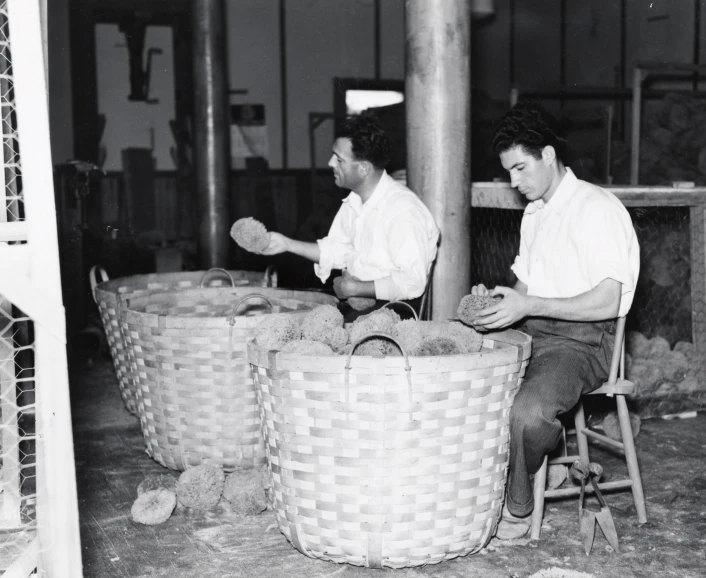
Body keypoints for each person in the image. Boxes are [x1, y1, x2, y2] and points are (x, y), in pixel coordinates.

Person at [468, 101, 640, 540]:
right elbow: (525, 291)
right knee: (466, 373)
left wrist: (528, 307)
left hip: (585, 342)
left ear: (548, 154)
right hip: (536, 333)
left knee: (526, 412)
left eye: (521, 168)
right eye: (509, 171)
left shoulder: (596, 208)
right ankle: (536, 455)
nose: (514, 182)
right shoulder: (536, 213)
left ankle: (519, 503)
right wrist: (498, 305)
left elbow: (607, 301)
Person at [257, 115, 439, 320]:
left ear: (363, 168)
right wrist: (287, 244)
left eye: (339, 159)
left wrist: (355, 288)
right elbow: (336, 250)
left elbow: (412, 282)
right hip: (359, 307)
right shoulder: (355, 202)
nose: (330, 163)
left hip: (398, 314)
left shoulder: (403, 210)